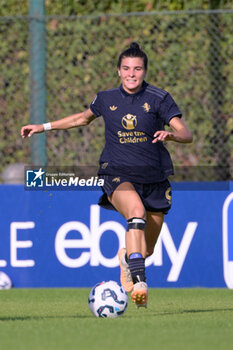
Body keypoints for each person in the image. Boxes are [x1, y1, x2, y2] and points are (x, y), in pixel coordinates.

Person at [21, 42, 192, 308]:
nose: (131, 74)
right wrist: (42, 127)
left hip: (155, 179)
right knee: (136, 212)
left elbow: (186, 133)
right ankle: (140, 283)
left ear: (145, 71)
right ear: (118, 71)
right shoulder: (106, 98)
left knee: (146, 250)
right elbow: (81, 119)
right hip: (116, 173)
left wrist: (172, 135)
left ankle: (127, 259)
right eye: (126, 68)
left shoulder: (159, 98)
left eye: (137, 68)